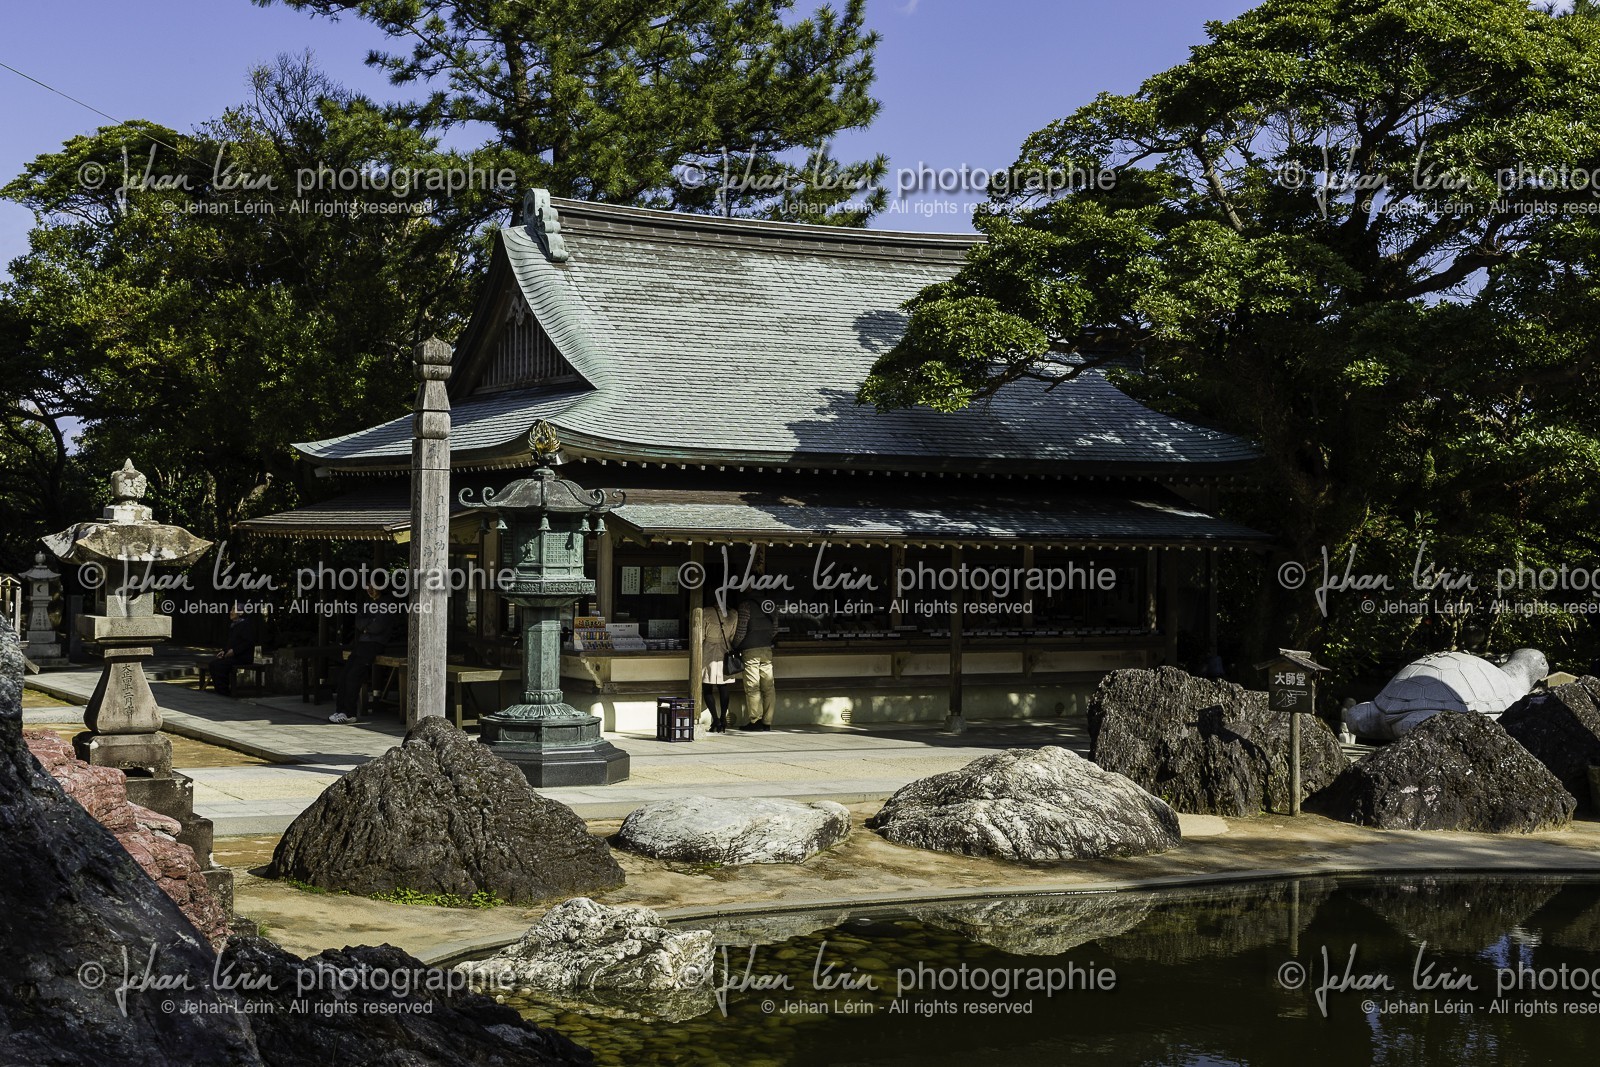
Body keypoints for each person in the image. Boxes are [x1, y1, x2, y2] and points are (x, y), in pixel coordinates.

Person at [329, 583, 397, 723]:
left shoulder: (388, 602)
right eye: (368, 587)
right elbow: (359, 622)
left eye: (374, 587)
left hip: (376, 643)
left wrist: (367, 626)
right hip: (363, 642)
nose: (370, 590)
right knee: (345, 674)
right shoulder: (367, 603)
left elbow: (378, 626)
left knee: (354, 675)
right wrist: (368, 624)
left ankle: (350, 713)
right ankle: (340, 711)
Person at [733, 594, 778, 731]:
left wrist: (734, 645)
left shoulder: (746, 606)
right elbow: (775, 629)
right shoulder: (772, 603)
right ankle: (767, 722)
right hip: (766, 649)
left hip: (750, 650)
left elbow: (741, 631)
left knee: (753, 686)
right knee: (769, 687)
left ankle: (755, 721)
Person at [701, 602, 739, 732]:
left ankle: (715, 720)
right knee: (723, 686)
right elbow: (733, 635)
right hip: (725, 649)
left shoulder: (706, 612)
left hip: (709, 650)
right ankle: (723, 719)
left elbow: (700, 634)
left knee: (707, 686)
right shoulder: (733, 614)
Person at [207, 605, 256, 697]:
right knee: (213, 664)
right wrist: (224, 651)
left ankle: (224, 692)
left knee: (219, 666)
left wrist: (234, 651)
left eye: (234, 609)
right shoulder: (234, 625)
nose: (231, 612)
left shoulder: (245, 625)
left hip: (243, 657)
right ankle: (220, 691)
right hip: (234, 656)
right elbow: (231, 643)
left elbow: (248, 643)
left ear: (241, 613)